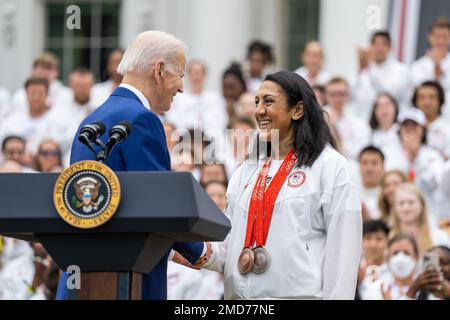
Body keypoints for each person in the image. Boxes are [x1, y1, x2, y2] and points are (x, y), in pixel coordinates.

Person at [55, 30, 212, 300]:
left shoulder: (93, 117)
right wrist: (197, 250)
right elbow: (157, 201)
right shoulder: (143, 119)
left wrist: (173, 249)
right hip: (126, 284)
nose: (182, 88)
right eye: (180, 75)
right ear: (160, 70)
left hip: (84, 279)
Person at [202, 71, 362, 299]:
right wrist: (193, 250)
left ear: (297, 110)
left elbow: (344, 256)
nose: (258, 110)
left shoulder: (332, 168)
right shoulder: (245, 172)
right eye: (257, 102)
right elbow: (228, 249)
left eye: (268, 101)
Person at [383, 108, 444, 220]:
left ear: (423, 130)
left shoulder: (432, 156)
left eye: (414, 126)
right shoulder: (389, 153)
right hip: (396, 213)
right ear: (399, 129)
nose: (410, 130)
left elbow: (436, 184)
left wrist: (415, 156)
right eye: (406, 126)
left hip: (428, 214)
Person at [42, 67, 96, 166]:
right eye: (77, 85)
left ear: (92, 85)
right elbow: (52, 141)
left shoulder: (100, 109)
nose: (81, 89)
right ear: (70, 85)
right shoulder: (58, 111)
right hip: (61, 164)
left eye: (85, 85)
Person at [352, 31, 408, 120]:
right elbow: (350, 95)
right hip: (362, 122)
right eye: (376, 44)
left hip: (389, 124)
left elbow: (388, 93)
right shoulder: (363, 69)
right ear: (370, 47)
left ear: (390, 48)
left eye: (383, 44)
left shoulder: (401, 70)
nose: (379, 48)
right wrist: (360, 69)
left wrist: (369, 67)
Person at [165, 59, 228, 137]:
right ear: (188, 75)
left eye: (199, 73)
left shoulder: (215, 98)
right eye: (193, 73)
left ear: (204, 76)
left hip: (208, 140)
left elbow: (220, 120)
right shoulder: (178, 97)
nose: (196, 77)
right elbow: (172, 120)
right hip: (183, 140)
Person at [389, 183, 450, 253]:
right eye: (401, 203)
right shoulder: (389, 238)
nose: (406, 208)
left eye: (411, 202)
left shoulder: (438, 236)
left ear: (421, 205)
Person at [8, 52, 71, 119]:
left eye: (49, 69)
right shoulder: (20, 96)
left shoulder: (67, 95)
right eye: (42, 68)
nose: (45, 73)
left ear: (57, 72)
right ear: (33, 71)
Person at [0, 78, 52, 156]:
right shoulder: (11, 121)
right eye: (32, 93)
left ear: (47, 94)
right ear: (26, 94)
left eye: (40, 93)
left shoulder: (55, 121)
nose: (36, 98)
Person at [324, 77, 370, 160]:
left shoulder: (358, 120)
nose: (337, 98)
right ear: (326, 96)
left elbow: (361, 150)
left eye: (341, 94)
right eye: (333, 94)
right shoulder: (320, 118)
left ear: (348, 95)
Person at [410, 18, 450, 96]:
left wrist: (440, 72)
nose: (441, 41)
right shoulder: (417, 66)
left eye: (445, 37)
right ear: (430, 37)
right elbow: (420, 92)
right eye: (437, 36)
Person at [412, 81, 450, 159]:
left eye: (432, 97)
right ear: (415, 102)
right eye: (422, 97)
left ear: (440, 100)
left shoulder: (447, 128)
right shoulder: (406, 126)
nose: (427, 102)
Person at [380, 233, 420, 300]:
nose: (400, 258)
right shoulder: (381, 288)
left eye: (406, 253)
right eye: (395, 253)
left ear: (416, 257)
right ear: (388, 258)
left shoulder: (425, 290)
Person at [357, 220, 390, 300]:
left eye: (379, 239)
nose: (373, 244)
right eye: (368, 238)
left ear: (387, 241)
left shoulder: (394, 271)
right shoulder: (355, 271)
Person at [359, 146, 385, 220]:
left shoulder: (388, 193)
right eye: (365, 163)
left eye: (374, 163)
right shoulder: (353, 193)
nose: (369, 168)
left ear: (383, 166)